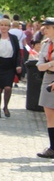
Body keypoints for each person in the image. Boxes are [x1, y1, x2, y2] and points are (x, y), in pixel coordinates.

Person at [0, 18, 20, 118]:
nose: (4, 27)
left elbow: (18, 53)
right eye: (2, 25)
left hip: (9, 66)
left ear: (9, 27)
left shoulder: (14, 38)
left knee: (8, 88)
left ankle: (5, 107)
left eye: (6, 25)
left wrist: (18, 65)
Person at [36, 17, 54, 158]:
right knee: (49, 115)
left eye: (47, 28)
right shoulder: (45, 44)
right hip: (48, 77)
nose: (45, 30)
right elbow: (40, 66)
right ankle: (52, 147)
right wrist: (50, 64)